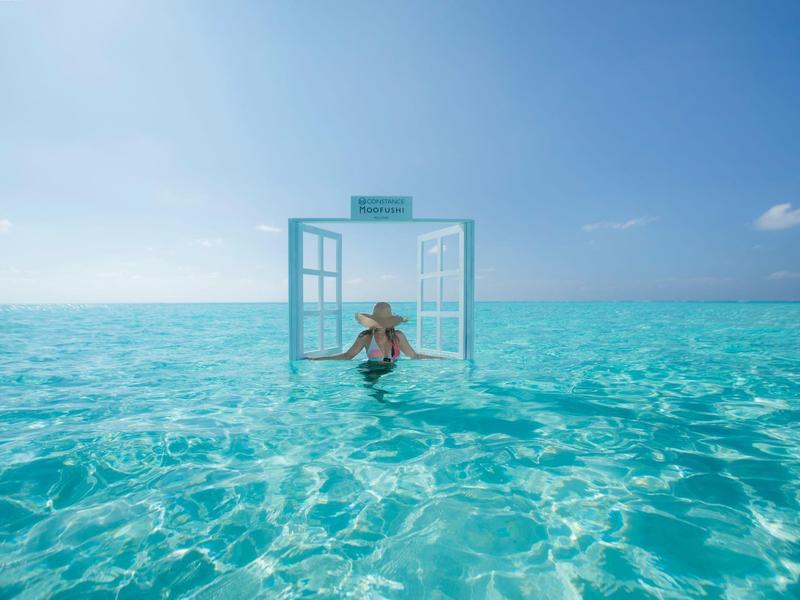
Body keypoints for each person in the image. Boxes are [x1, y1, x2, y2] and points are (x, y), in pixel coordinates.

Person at [306, 302, 439, 362]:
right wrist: (317, 359)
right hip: (370, 372)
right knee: (377, 394)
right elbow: (347, 356)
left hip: (391, 371)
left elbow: (414, 355)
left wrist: (441, 359)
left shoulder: (398, 336)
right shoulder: (366, 337)